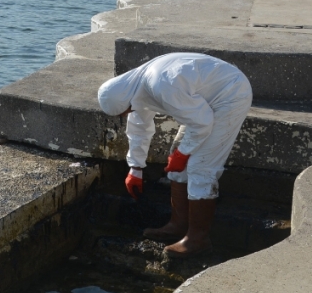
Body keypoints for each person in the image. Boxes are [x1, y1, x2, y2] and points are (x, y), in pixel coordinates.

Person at [98, 53, 252, 257]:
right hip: (202, 102)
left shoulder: (161, 85)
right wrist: (135, 168)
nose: (126, 115)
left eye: (124, 112)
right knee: (178, 163)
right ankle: (177, 225)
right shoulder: (133, 88)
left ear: (126, 103)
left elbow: (203, 123)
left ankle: (198, 239)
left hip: (230, 95)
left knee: (201, 167)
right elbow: (138, 125)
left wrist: (183, 153)